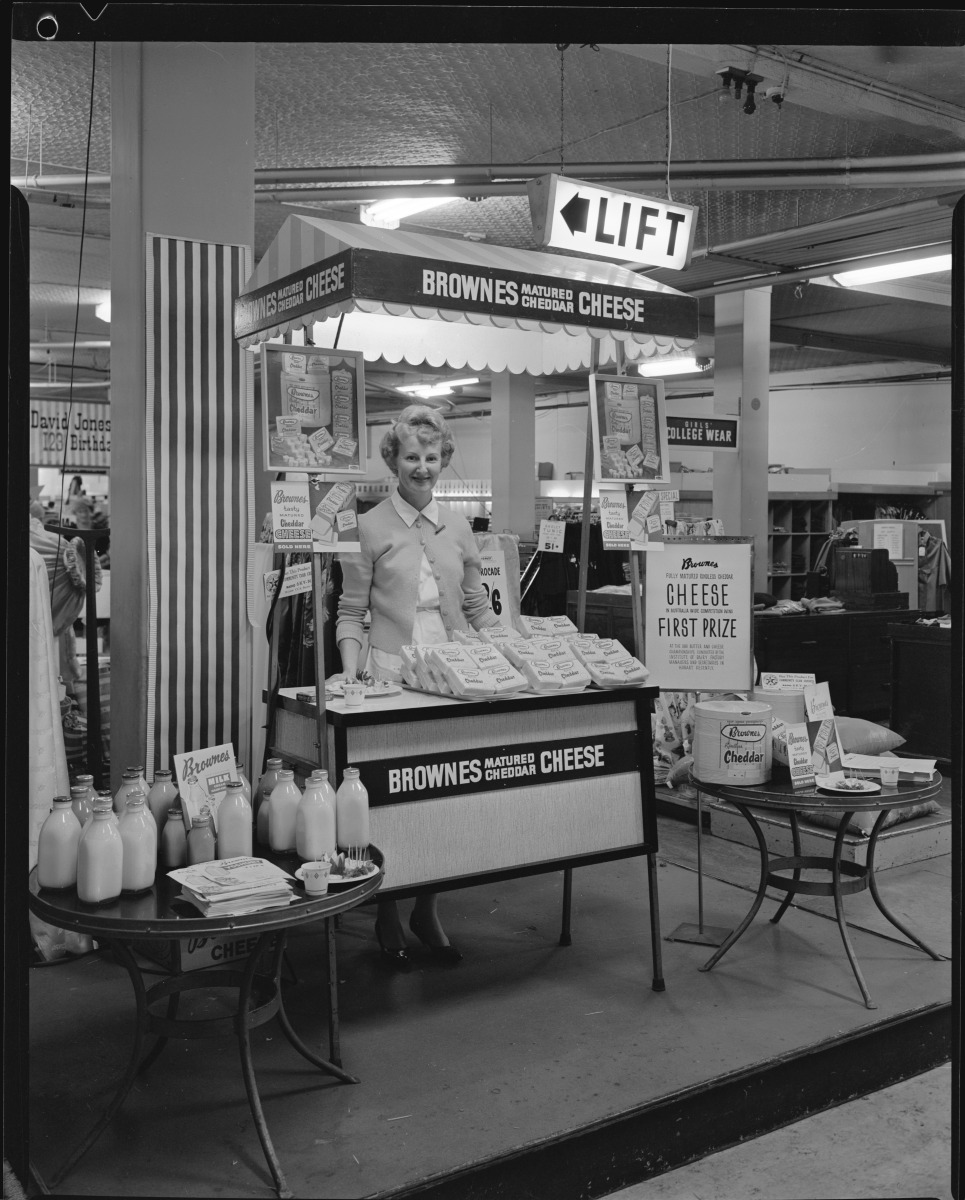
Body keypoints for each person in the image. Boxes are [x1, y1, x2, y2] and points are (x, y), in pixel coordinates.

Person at [334, 404, 501, 970]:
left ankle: (428, 908)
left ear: (444, 460)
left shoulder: (458, 527)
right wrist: (351, 668)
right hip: (390, 677)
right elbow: (351, 611)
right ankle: (386, 908)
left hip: (452, 675)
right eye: (412, 457)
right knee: (392, 799)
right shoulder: (370, 526)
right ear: (393, 461)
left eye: (432, 457)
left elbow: (477, 606)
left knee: (446, 795)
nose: (422, 467)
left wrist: (511, 651)